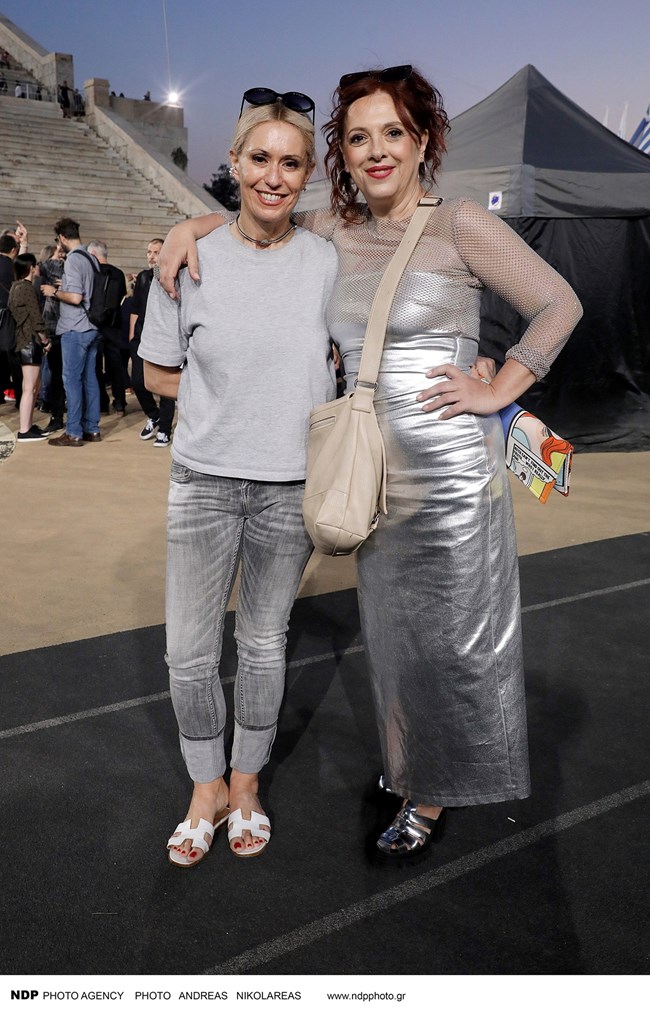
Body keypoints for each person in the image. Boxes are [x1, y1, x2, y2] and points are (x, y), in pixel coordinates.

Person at [159, 66, 583, 868]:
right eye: (358, 137)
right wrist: (191, 225)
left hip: (451, 469)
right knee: (394, 639)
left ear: (423, 141)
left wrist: (502, 387)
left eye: (393, 132)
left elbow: (560, 303)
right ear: (343, 154)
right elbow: (261, 212)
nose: (376, 150)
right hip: (369, 471)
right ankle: (410, 766)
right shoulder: (334, 229)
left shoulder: (461, 222)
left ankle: (432, 793)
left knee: (456, 639)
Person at [139, 90, 338, 868]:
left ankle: (246, 784)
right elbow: (158, 373)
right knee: (188, 654)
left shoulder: (326, 261)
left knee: (261, 645)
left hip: (290, 489)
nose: (273, 176)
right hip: (203, 484)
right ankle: (206, 789)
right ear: (234, 162)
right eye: (260, 158)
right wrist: (229, 403)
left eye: (291, 163)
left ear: (307, 173)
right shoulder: (188, 260)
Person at [42, 217, 101, 446]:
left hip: (75, 328)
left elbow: (76, 297)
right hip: (92, 327)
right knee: (90, 379)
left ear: (62, 238)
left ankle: (74, 432)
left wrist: (54, 292)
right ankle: (92, 429)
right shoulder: (91, 258)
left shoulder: (74, 260)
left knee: (72, 380)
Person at [129, 238, 175, 446]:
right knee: (138, 381)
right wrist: (132, 337)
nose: (151, 256)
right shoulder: (143, 277)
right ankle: (153, 415)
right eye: (149, 252)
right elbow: (136, 308)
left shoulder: (172, 275)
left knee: (166, 385)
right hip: (142, 337)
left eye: (156, 252)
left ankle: (164, 429)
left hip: (166, 337)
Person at [8, 254, 49, 441]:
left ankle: (28, 427)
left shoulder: (15, 286)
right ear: (31, 268)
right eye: (36, 265)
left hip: (21, 340)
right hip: (29, 340)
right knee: (30, 387)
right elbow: (35, 317)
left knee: (30, 386)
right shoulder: (26, 288)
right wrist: (45, 340)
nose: (38, 267)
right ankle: (24, 430)